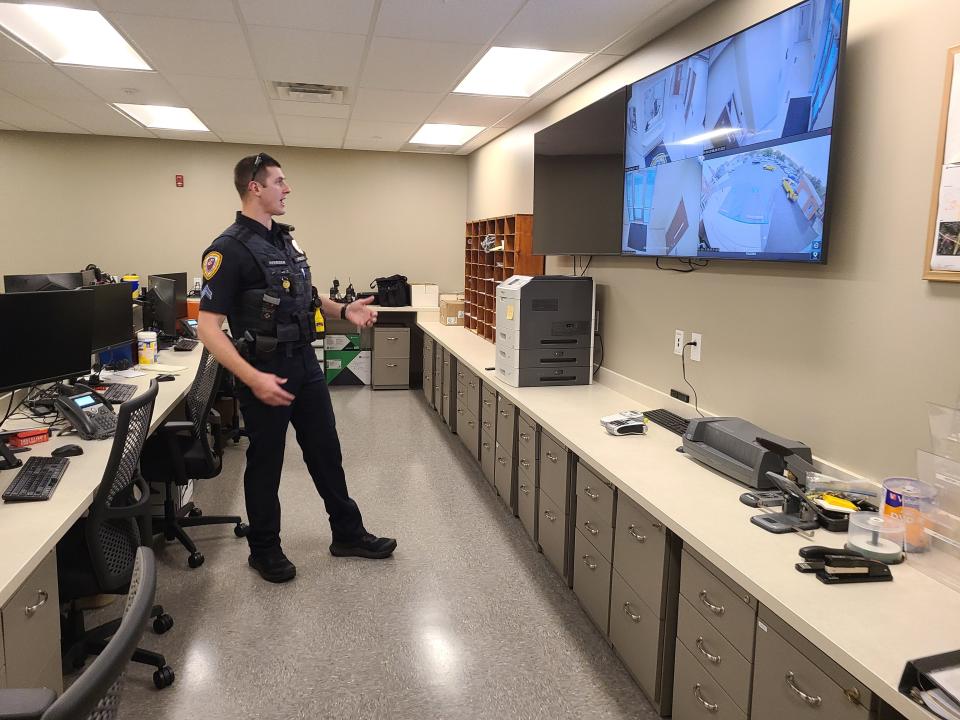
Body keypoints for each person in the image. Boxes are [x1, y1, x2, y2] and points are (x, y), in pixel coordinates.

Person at [196, 152, 396, 583]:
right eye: (279, 181)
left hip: (305, 364)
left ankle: (348, 534)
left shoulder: (284, 241)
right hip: (264, 371)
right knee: (266, 462)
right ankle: (264, 549)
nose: (287, 189)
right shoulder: (227, 249)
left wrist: (344, 309)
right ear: (254, 186)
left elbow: (305, 297)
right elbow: (208, 328)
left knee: (327, 452)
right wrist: (252, 378)